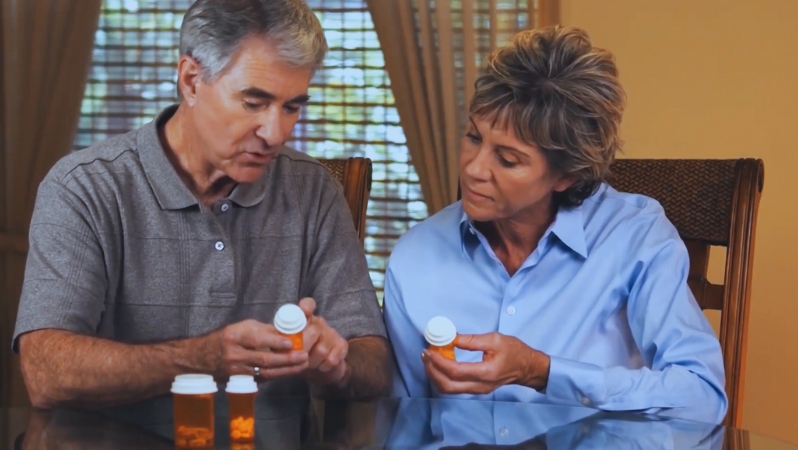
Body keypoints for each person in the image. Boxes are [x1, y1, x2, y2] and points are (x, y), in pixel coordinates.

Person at [13, 0, 391, 412]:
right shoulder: (83, 187)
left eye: (292, 106)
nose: (275, 132)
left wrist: (336, 363)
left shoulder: (314, 191)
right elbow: (46, 372)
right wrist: (204, 358)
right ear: (191, 80)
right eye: (253, 102)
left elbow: (373, 361)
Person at [384, 26, 727, 424]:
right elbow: (399, 419)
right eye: (473, 138)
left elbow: (702, 398)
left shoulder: (635, 237)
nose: (474, 170)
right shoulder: (415, 256)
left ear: (566, 175)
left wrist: (542, 371)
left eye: (508, 159)